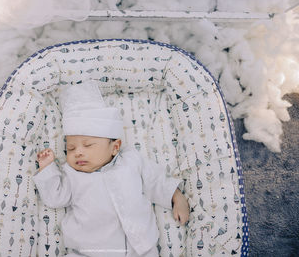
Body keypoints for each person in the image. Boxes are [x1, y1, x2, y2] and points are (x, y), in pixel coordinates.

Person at [32, 81, 189, 257]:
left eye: (88, 145)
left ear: (115, 147)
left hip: (140, 249)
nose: (78, 153)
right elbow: (55, 197)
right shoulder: (72, 174)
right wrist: (47, 168)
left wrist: (177, 197)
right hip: (88, 251)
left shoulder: (131, 161)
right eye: (71, 148)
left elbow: (155, 180)